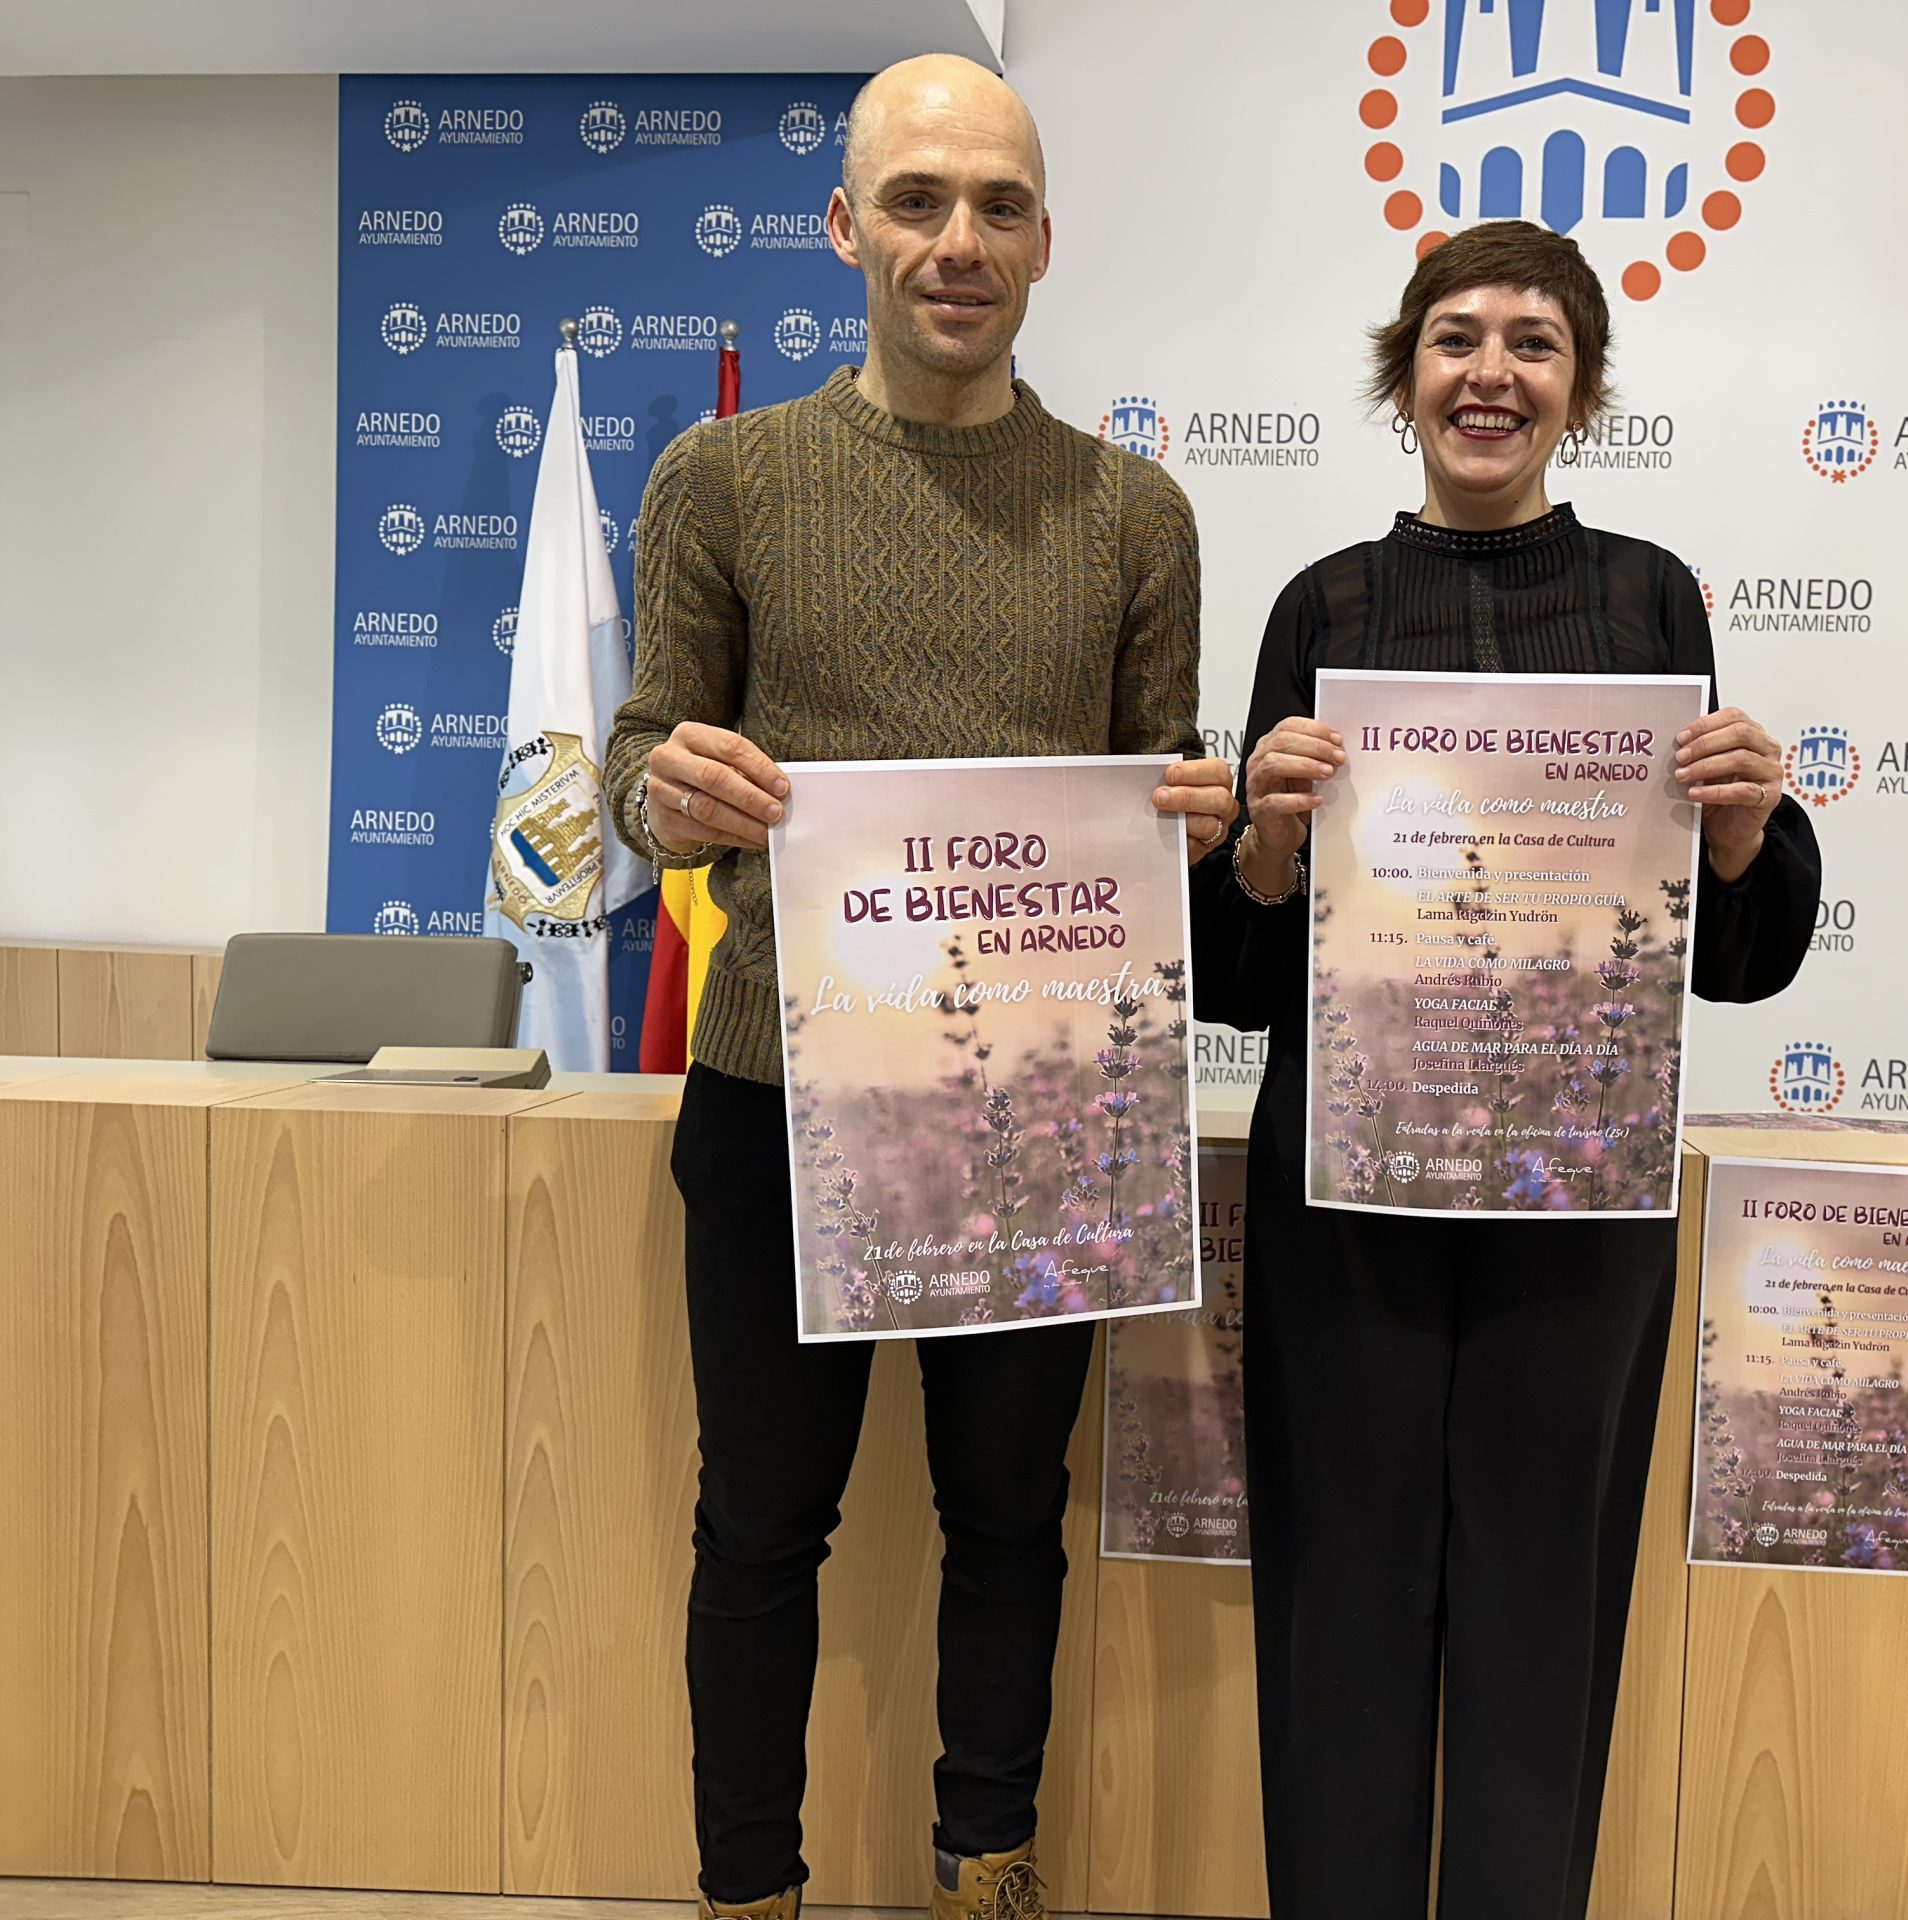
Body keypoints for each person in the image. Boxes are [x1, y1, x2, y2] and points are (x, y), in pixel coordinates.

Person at [604, 55, 1236, 1920]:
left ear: (1047, 241)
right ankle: (747, 1891)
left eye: (998, 206)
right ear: (846, 227)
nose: (958, 243)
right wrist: (662, 790)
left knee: (1009, 1528)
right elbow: (644, 753)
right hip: (775, 1096)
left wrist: (1190, 821)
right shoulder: (721, 478)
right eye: (918, 201)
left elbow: (1154, 786)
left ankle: (989, 1872)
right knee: (760, 1529)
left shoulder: (1137, 515)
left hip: (1043, 1112)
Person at [1189, 220, 1820, 1919]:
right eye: (1456, 338)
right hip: (1348, 1192)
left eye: (1533, 343)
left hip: (1576, 1197)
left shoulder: (1653, 596)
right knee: (1342, 1600)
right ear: (1404, 376)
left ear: (1581, 390)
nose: (1492, 373)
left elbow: (1738, 957)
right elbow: (1245, 972)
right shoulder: (1321, 604)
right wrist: (1260, 838)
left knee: (1548, 1600)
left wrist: (1751, 832)